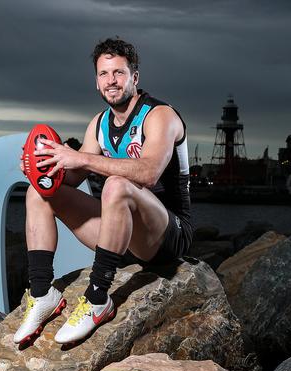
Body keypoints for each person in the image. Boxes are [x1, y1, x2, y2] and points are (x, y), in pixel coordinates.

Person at [14, 37, 192, 345]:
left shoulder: (160, 115)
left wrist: (81, 157)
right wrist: (42, 166)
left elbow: (149, 173)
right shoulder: (98, 124)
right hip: (121, 235)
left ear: (134, 78)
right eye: (104, 74)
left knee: (117, 184)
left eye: (119, 73)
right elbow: (71, 178)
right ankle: (43, 294)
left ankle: (98, 297)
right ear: (96, 82)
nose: (111, 81)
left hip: (166, 235)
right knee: (40, 192)